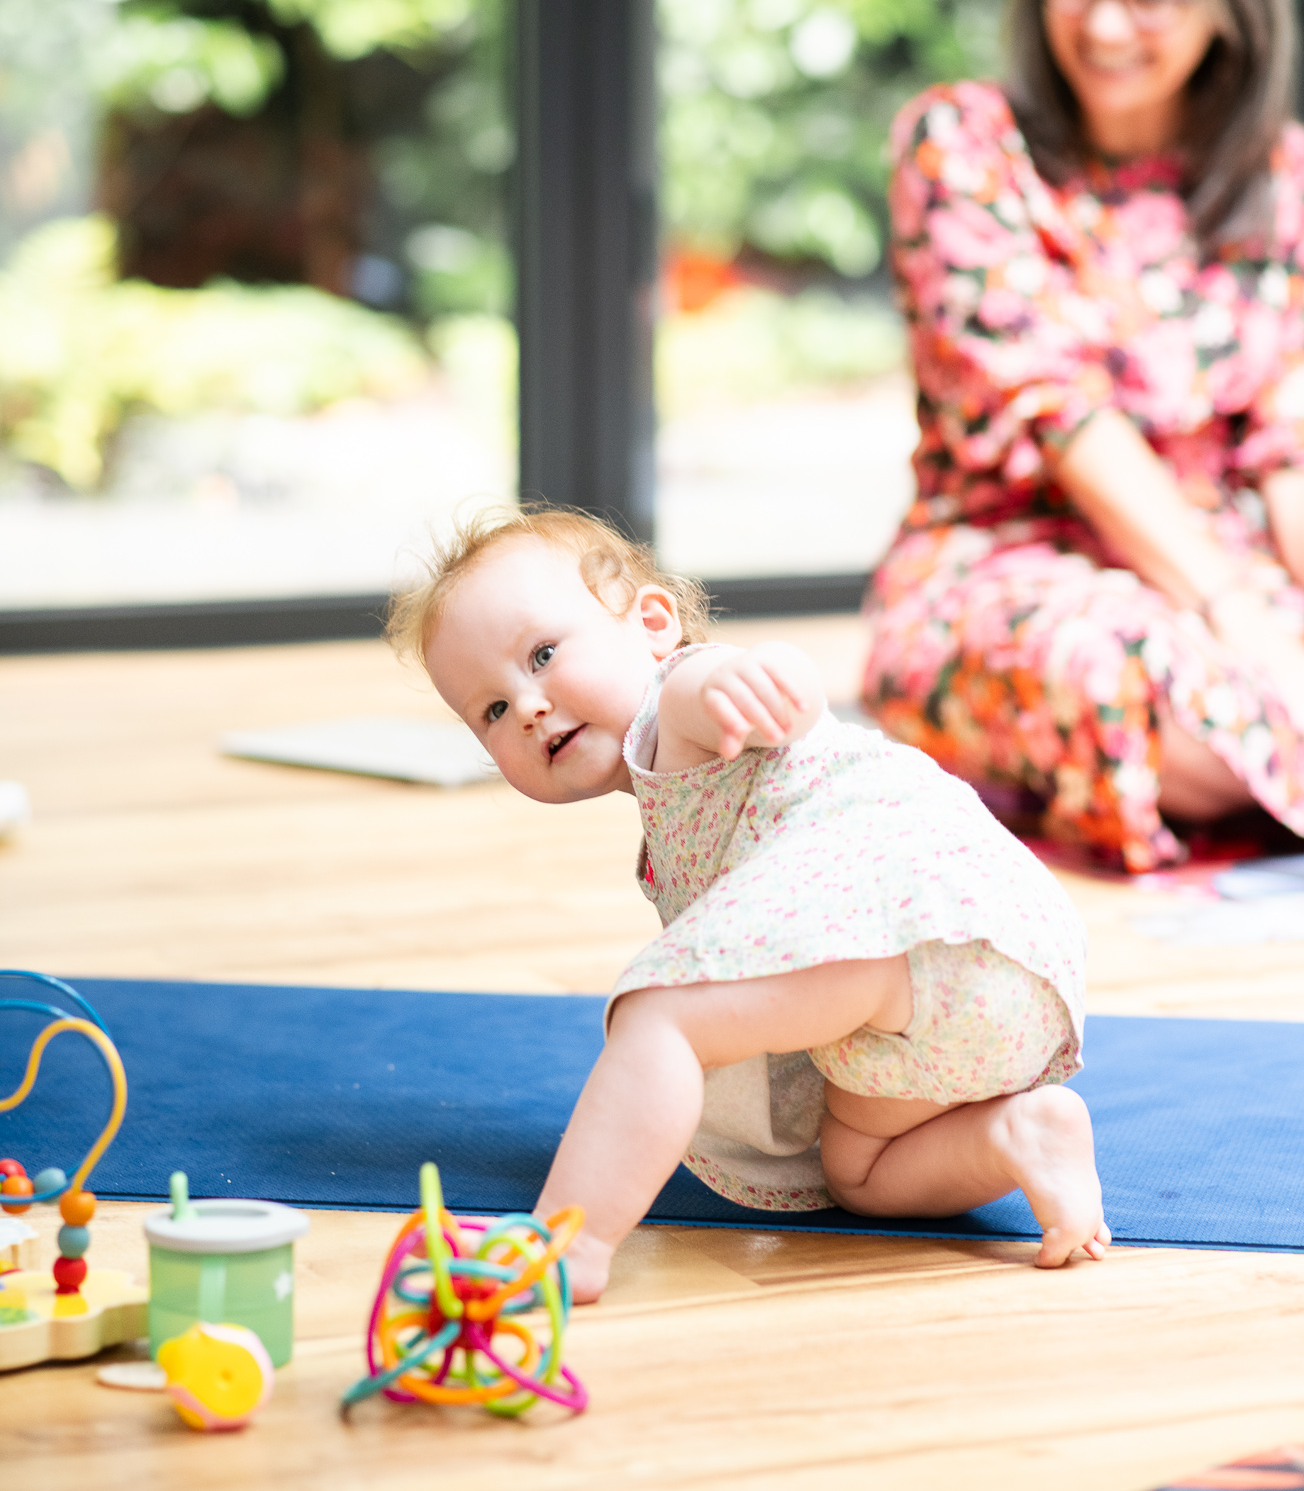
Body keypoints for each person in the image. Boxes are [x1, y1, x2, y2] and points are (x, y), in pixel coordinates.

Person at [390, 506, 1108, 1303]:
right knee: (858, 1175)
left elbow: (752, 691)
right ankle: (1019, 1131)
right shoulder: (666, 776)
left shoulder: (684, 702)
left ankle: (573, 1238)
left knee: (660, 1015)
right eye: (491, 710)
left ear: (654, 623)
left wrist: (759, 679)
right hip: (987, 987)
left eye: (543, 655)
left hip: (907, 911)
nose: (525, 705)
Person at [866, 0, 1304, 873]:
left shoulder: (1289, 176)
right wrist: (1246, 628)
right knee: (1135, 676)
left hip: (1227, 563)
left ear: (1229, 4)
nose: (1107, 26)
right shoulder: (962, 143)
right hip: (1009, 566)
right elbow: (1064, 418)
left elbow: (1298, 437)